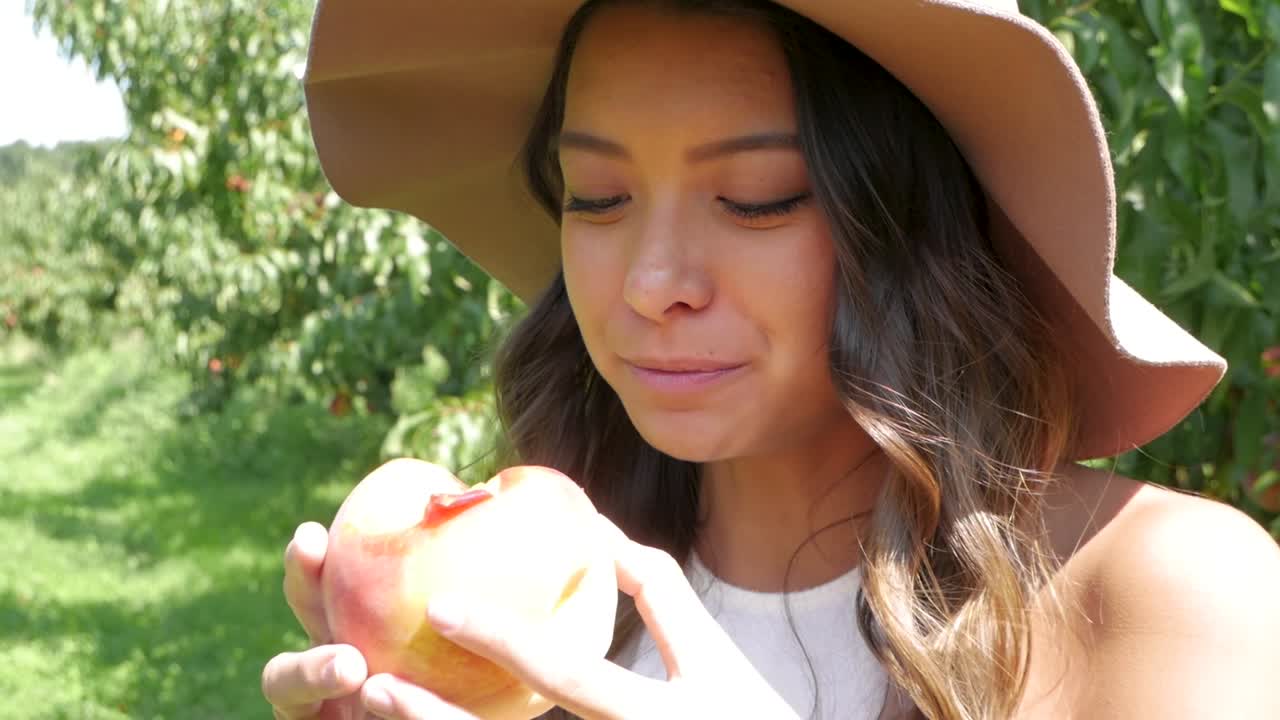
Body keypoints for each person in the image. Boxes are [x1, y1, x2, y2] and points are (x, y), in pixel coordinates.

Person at [264, 1, 1280, 718]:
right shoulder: (542, 607)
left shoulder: (1161, 596)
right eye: (596, 197)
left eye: (755, 197)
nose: (650, 280)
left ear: (908, 221)